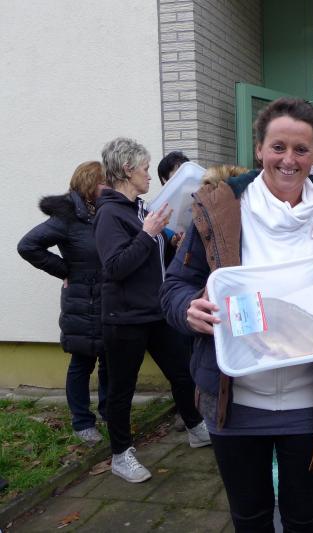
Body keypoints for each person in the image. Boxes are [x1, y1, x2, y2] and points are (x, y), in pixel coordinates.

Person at [159, 97, 313, 532]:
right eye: (278, 147)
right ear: (260, 149)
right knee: (250, 518)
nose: (289, 159)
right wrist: (187, 309)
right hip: (234, 401)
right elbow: (175, 287)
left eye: (301, 149)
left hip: (309, 403)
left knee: (304, 519)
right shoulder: (220, 209)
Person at [94, 137, 209, 484]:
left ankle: (195, 427)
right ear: (127, 169)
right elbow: (115, 267)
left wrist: (169, 240)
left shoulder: (140, 207)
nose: (148, 174)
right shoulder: (109, 213)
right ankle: (120, 455)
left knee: (182, 373)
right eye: (145, 168)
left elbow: (150, 255)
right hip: (125, 318)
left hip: (156, 310)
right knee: (122, 389)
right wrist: (148, 234)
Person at [18, 161, 109, 444]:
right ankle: (82, 422)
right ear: (90, 184)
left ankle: (109, 413)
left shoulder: (103, 211)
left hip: (108, 299)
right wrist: (65, 270)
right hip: (83, 302)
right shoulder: (67, 217)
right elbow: (27, 246)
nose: (109, 187)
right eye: (104, 182)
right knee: (82, 361)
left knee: (109, 359)